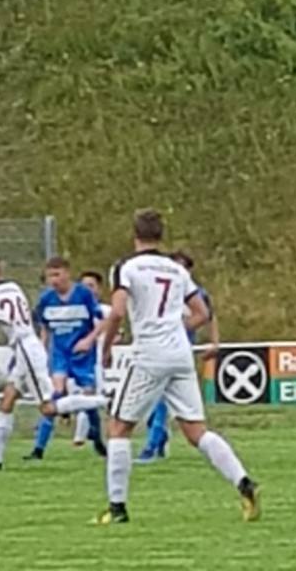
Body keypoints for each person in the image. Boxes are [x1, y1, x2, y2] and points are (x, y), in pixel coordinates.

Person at [93, 209, 260, 525]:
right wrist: (173, 329)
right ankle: (243, 482)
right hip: (180, 354)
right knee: (196, 431)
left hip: (149, 354)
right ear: (161, 236)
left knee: (119, 427)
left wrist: (107, 348)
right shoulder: (175, 269)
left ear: (134, 235)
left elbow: (116, 312)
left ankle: (116, 509)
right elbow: (202, 313)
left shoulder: (126, 267)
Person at [0, 251, 107, 470]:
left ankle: (107, 401)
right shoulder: (13, 287)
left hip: (26, 349)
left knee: (48, 408)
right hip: (25, 347)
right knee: (7, 400)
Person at [137, 250, 220, 464]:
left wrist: (214, 342)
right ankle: (158, 438)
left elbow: (208, 316)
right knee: (153, 400)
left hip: (179, 354)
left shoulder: (195, 293)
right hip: (156, 351)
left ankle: (151, 445)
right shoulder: (158, 290)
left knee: (164, 402)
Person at [25, 257, 107, 460]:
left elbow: (102, 321)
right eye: (50, 276)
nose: (54, 280)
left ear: (67, 273)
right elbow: (44, 327)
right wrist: (42, 349)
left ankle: (97, 440)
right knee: (56, 395)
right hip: (59, 354)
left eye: (57, 274)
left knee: (87, 398)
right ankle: (38, 449)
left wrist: (89, 340)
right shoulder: (46, 298)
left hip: (82, 355)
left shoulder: (83, 294)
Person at [73, 271, 112, 448]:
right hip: (76, 361)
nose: (87, 290)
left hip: (97, 361)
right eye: (83, 286)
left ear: (99, 289)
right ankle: (89, 436)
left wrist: (107, 349)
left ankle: (82, 438)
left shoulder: (105, 311)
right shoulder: (74, 310)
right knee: (83, 399)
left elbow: (116, 334)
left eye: (91, 286)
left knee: (89, 397)